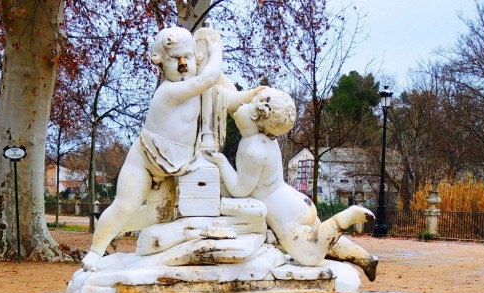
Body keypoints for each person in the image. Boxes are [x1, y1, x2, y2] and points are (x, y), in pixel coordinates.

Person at [82, 26, 263, 270]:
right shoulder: (168, 91)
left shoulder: (197, 93)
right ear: (159, 63)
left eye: (187, 57)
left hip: (174, 168)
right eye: (173, 60)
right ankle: (95, 251)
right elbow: (209, 78)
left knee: (160, 215)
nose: (182, 65)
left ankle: (116, 229)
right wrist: (216, 49)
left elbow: (224, 98)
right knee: (125, 206)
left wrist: (253, 94)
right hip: (145, 161)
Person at [204, 88, 377, 277]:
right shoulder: (268, 139)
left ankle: (346, 218)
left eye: (247, 106)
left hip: (286, 215)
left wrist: (220, 161)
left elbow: (239, 190)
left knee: (310, 255)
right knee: (322, 240)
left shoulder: (254, 149)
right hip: (296, 202)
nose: (239, 108)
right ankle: (366, 258)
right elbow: (229, 92)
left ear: (258, 118)